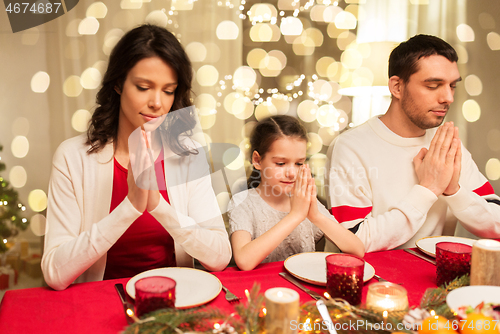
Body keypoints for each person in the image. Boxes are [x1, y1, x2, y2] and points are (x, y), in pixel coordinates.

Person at [41, 24, 232, 290]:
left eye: (168, 90)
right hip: (99, 304)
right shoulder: (73, 157)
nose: (157, 103)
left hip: (174, 303)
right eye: (144, 87)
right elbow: (54, 273)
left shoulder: (188, 154)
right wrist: (130, 207)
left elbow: (220, 257)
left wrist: (158, 207)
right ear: (118, 83)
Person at [326, 34, 500, 253]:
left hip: (436, 283)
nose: (448, 97)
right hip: (368, 282)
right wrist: (428, 189)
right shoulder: (350, 147)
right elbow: (354, 240)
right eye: (433, 86)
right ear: (397, 87)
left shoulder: (444, 143)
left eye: (452, 86)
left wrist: (453, 190)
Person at [228, 115, 364, 271]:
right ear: (258, 160)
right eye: (281, 163)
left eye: (299, 163)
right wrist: (295, 215)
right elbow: (244, 261)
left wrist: (316, 216)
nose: (292, 173)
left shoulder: (303, 199)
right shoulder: (243, 202)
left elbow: (357, 250)